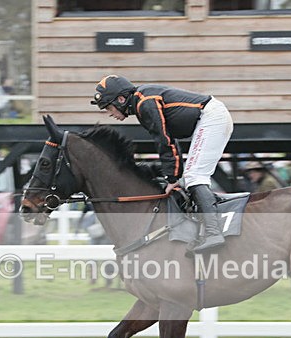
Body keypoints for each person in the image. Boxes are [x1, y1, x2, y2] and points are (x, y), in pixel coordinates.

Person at [90, 74, 233, 253]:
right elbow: (170, 141)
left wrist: (172, 177)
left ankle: (213, 232)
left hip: (211, 118)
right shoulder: (142, 101)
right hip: (211, 117)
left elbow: (164, 140)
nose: (110, 114)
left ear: (120, 99)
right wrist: (174, 175)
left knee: (195, 176)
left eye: (109, 107)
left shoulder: (144, 103)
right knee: (189, 177)